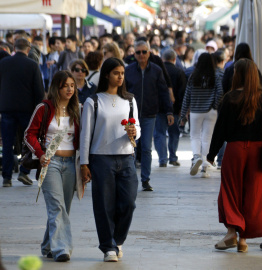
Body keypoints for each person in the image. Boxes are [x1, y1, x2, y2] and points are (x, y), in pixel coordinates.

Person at [80, 57, 140, 262]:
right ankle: (108, 247)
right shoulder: (93, 101)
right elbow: (86, 135)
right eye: (116, 73)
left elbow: (137, 127)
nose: (120, 77)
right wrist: (84, 164)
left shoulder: (130, 100)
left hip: (126, 157)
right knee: (104, 204)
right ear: (106, 74)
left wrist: (134, 131)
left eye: (122, 73)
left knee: (129, 202)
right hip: (101, 159)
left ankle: (117, 239)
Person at [207, 59, 262, 253]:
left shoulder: (230, 98)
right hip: (257, 151)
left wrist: (212, 153)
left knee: (231, 191)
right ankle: (243, 241)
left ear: (239, 75)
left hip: (235, 150)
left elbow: (220, 130)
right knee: (253, 194)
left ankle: (231, 232)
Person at [24, 71, 80, 262]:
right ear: (57, 87)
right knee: (57, 206)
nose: (70, 89)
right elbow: (28, 134)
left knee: (63, 208)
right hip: (50, 163)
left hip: (71, 164)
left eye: (72, 85)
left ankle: (48, 245)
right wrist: (40, 155)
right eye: (66, 85)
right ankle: (61, 249)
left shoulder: (76, 109)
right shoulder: (44, 107)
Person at [125, 40, 174, 191]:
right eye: (138, 52)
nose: (141, 55)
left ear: (149, 53)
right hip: (131, 115)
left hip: (149, 114)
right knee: (132, 147)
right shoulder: (128, 71)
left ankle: (145, 179)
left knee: (146, 147)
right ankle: (131, 179)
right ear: (134, 54)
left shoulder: (157, 70)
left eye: (144, 52)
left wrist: (169, 111)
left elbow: (164, 91)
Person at [0, 38, 44, 187]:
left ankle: (6, 177)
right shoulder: (32, 65)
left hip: (7, 109)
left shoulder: (3, 63)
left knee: (7, 144)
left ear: (14, 47)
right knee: (31, 141)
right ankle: (24, 171)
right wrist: (39, 111)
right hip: (28, 110)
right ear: (28, 48)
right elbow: (39, 91)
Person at [180, 53, 223, 178]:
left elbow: (187, 96)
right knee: (207, 137)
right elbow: (220, 92)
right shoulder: (215, 76)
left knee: (195, 136)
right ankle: (204, 168)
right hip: (211, 112)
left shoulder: (194, 76)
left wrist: (183, 114)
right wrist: (214, 105)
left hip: (195, 111)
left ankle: (196, 157)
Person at [154, 48, 186, 167]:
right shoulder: (179, 72)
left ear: (162, 58)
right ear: (174, 59)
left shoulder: (158, 72)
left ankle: (162, 159)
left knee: (160, 133)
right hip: (175, 109)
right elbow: (182, 93)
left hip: (159, 108)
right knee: (174, 133)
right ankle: (173, 157)